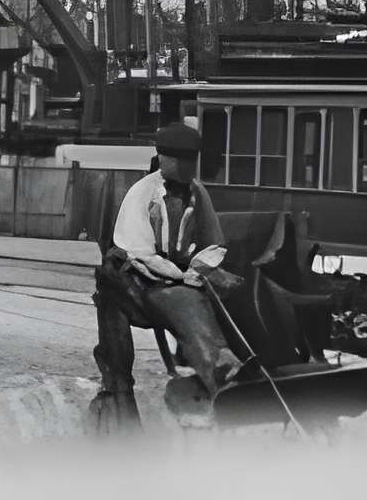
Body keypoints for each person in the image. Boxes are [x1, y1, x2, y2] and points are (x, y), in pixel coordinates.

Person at [94, 121, 251, 415]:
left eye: (191, 160)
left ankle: (248, 359)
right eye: (179, 160)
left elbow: (214, 242)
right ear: (163, 158)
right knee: (185, 301)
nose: (186, 167)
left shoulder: (197, 192)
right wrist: (181, 277)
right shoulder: (143, 192)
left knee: (236, 289)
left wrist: (203, 267)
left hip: (184, 271)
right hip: (143, 276)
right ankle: (217, 364)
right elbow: (140, 252)